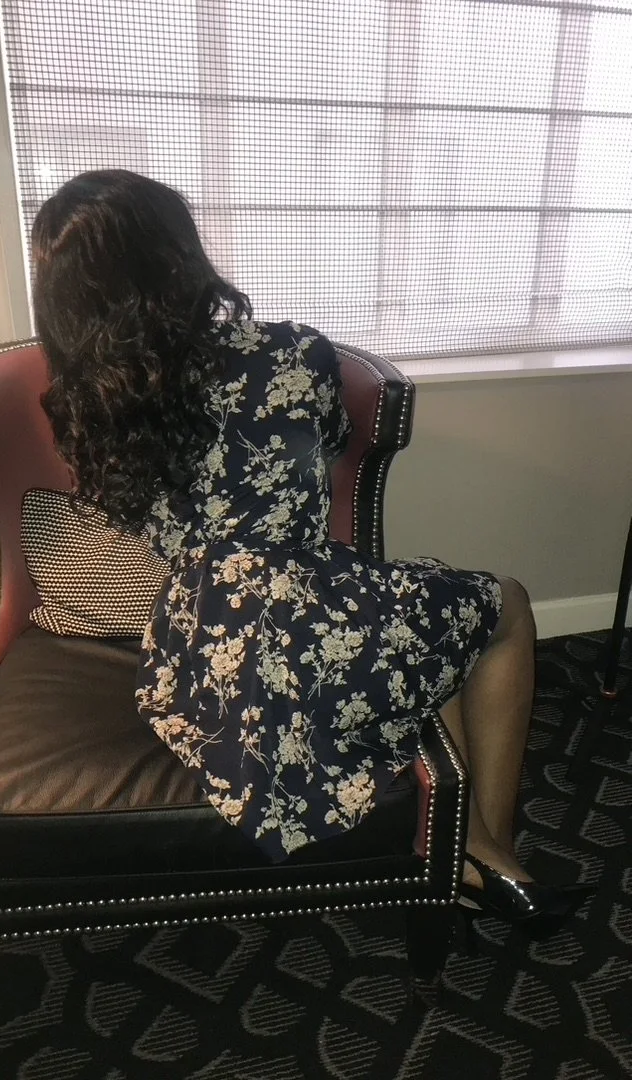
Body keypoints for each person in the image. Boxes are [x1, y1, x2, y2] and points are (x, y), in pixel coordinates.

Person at [31, 169, 589, 922]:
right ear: (178, 255)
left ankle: (471, 852)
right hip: (305, 612)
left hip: (201, 647)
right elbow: (323, 454)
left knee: (430, 613)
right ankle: (488, 852)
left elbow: (134, 515)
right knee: (506, 605)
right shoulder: (292, 353)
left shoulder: (86, 405)